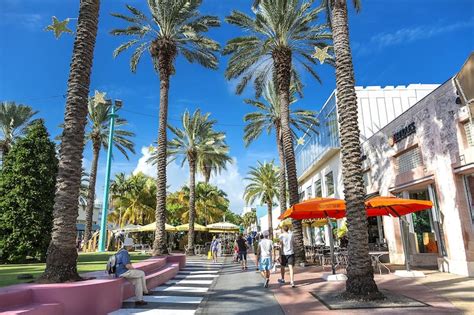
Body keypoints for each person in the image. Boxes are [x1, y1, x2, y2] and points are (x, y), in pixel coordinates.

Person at [115, 238, 149, 306]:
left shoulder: (120, 251)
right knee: (142, 273)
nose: (132, 247)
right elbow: (127, 265)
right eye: (131, 245)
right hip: (123, 272)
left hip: (119, 272)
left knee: (138, 280)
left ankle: (139, 300)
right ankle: (145, 291)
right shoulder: (125, 252)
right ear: (129, 245)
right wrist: (135, 270)